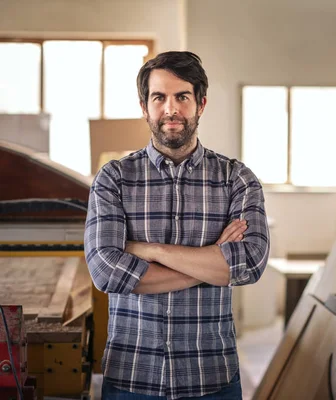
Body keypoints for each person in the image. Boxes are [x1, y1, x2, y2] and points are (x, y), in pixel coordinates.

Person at [84, 51, 270, 400]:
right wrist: (214, 261)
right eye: (159, 97)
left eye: (182, 97)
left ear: (200, 104)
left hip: (210, 376)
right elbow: (106, 271)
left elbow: (250, 262)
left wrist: (150, 251)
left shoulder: (236, 179)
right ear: (145, 107)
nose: (171, 109)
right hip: (132, 374)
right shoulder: (114, 179)